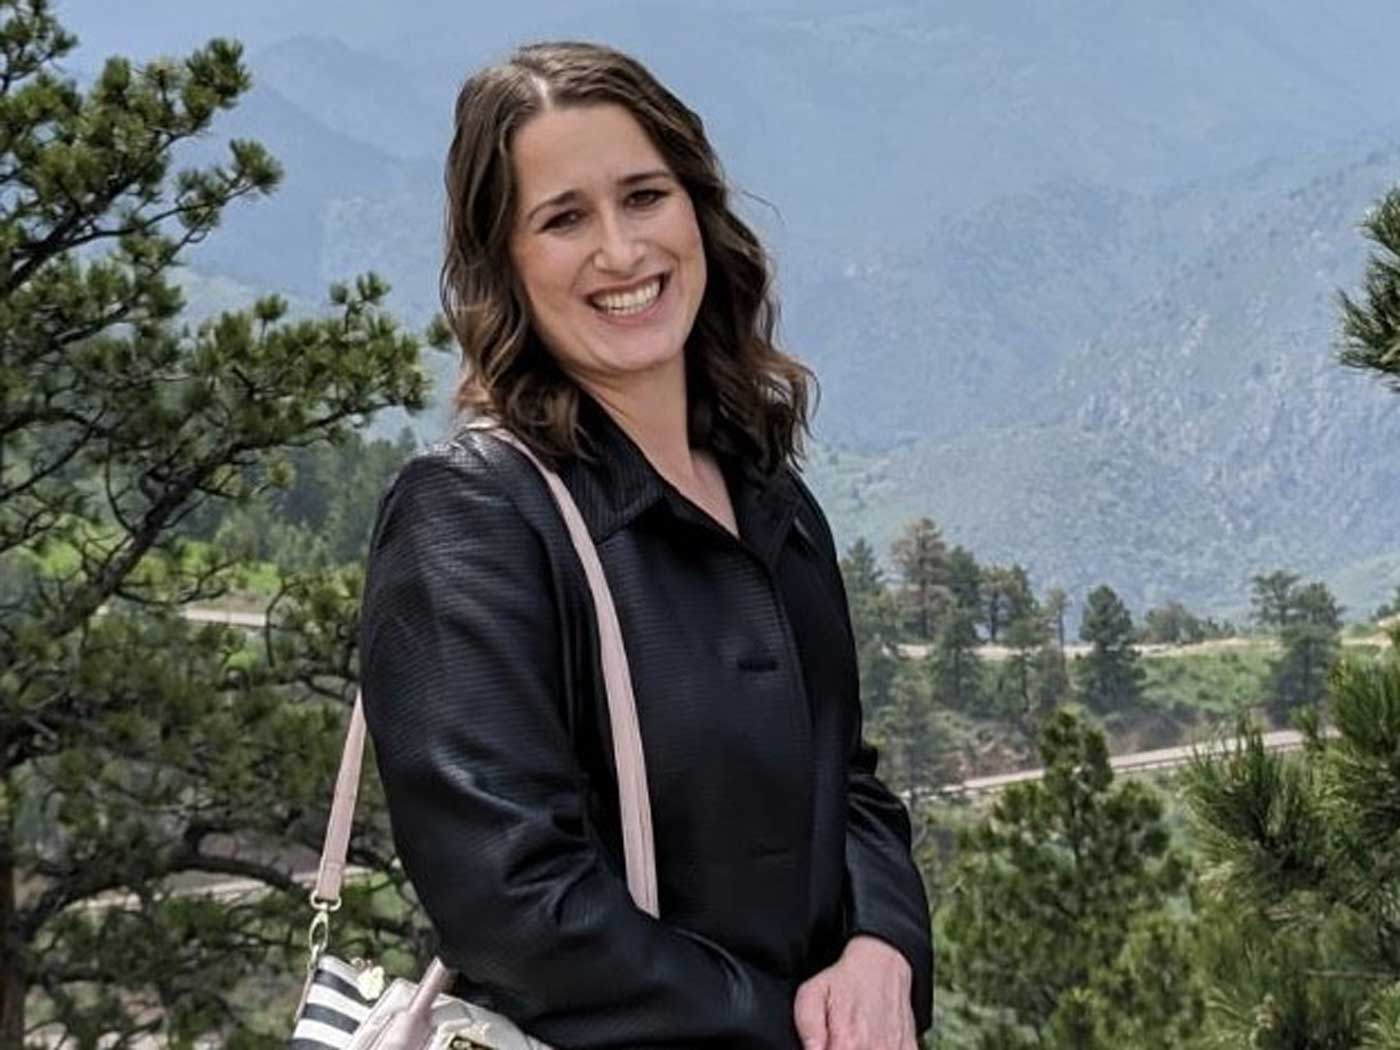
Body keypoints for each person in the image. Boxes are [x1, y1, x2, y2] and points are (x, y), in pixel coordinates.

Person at [358, 40, 932, 1050]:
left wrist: (881, 946)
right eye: (563, 218)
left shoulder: (767, 495)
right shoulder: (474, 516)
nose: (621, 252)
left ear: (698, 211)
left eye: (643, 196)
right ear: (504, 262)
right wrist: (783, 1030)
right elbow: (512, 905)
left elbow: (842, 781)